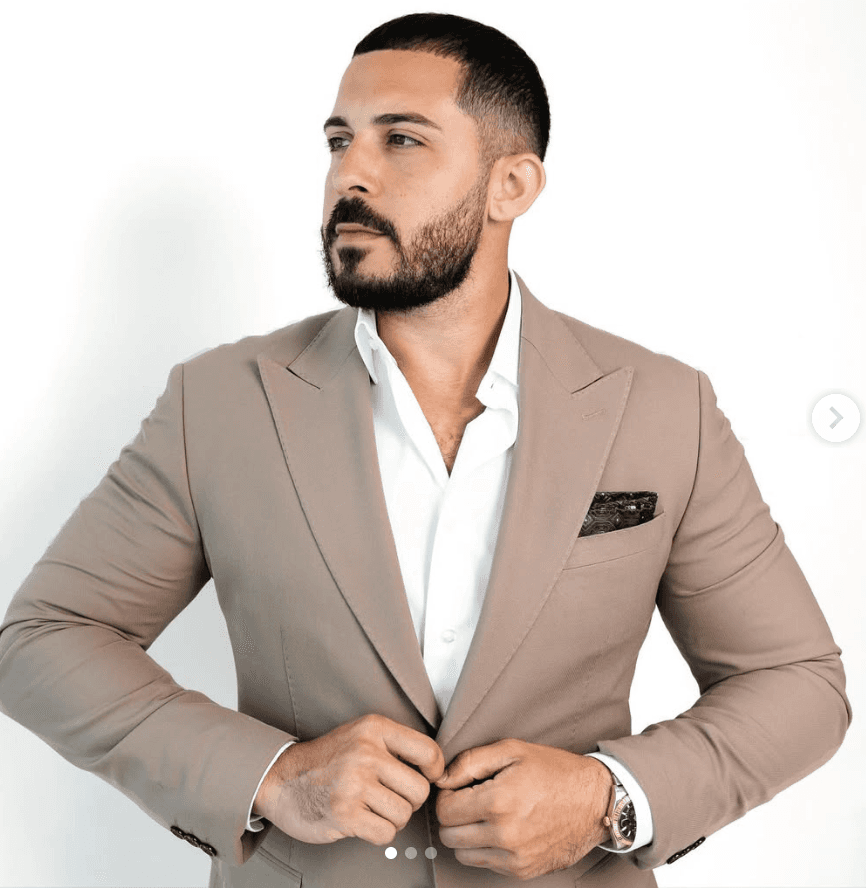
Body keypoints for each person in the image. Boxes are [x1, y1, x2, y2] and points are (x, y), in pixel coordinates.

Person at [0, 12, 851, 888]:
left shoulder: (664, 409)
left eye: (400, 139)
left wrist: (608, 797)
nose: (350, 174)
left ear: (511, 184)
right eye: (339, 141)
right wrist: (270, 777)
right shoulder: (218, 404)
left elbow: (797, 683)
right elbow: (44, 639)